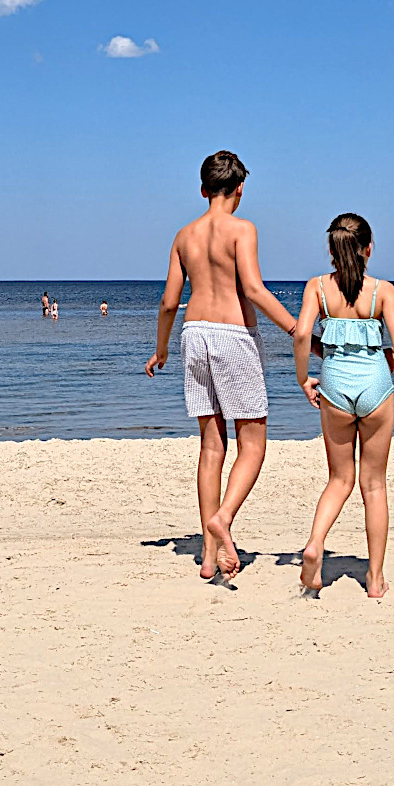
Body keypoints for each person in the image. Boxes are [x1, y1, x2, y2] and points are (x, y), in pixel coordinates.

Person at [145, 150, 298, 582]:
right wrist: (296, 331)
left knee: (212, 447)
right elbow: (252, 287)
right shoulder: (242, 229)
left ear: (202, 189)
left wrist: (161, 350)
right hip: (233, 336)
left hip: (193, 335)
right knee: (253, 444)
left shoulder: (183, 236)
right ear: (240, 189)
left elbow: (169, 301)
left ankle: (209, 557)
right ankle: (223, 518)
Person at [293, 213, 394, 601]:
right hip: (375, 386)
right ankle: (375, 579)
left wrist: (303, 378)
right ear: (369, 249)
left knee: (339, 480)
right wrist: (390, 359)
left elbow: (300, 337)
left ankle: (314, 545)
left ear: (330, 251)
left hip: (335, 386)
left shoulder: (318, 288)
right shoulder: (383, 291)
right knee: (374, 485)